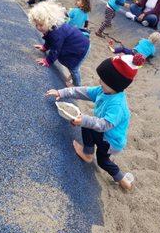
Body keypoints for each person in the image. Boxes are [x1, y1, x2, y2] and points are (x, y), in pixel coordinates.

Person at [46, 53, 145, 190]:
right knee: (89, 125)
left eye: (103, 81)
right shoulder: (104, 91)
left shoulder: (117, 105)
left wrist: (84, 120)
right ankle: (118, 177)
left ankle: (92, 157)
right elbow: (82, 92)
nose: (100, 82)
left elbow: (104, 125)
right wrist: (61, 93)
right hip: (108, 136)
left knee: (103, 160)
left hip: (111, 140)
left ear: (114, 83)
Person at [28, 0, 90, 86]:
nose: (38, 27)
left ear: (50, 21)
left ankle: (76, 86)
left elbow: (56, 49)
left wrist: (48, 61)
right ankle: (74, 78)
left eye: (41, 25)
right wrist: (45, 47)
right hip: (77, 41)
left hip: (82, 47)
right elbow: (49, 39)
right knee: (73, 65)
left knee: (73, 68)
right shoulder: (50, 28)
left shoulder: (56, 33)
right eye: (36, 25)